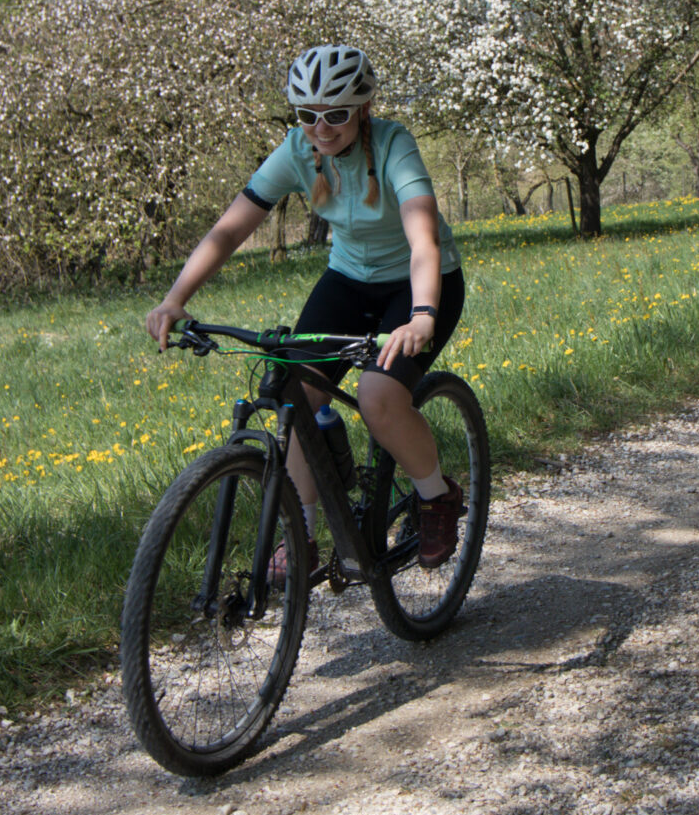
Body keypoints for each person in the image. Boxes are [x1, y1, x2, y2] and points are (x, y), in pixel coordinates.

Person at [143, 44, 468, 566]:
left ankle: (437, 496)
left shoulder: (393, 145)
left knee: (378, 396)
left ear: (363, 107)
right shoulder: (296, 151)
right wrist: (174, 298)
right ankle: (302, 537)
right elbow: (229, 230)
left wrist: (423, 314)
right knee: (296, 394)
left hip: (420, 282)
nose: (321, 127)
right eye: (308, 115)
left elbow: (423, 239)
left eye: (336, 114)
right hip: (347, 280)